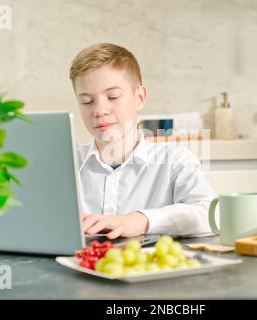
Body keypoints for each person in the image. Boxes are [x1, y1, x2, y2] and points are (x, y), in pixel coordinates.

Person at [69, 42, 216, 239]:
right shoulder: (66, 162)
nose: (99, 111)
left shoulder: (173, 159)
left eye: (112, 97)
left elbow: (211, 214)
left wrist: (141, 220)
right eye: (87, 101)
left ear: (139, 98)